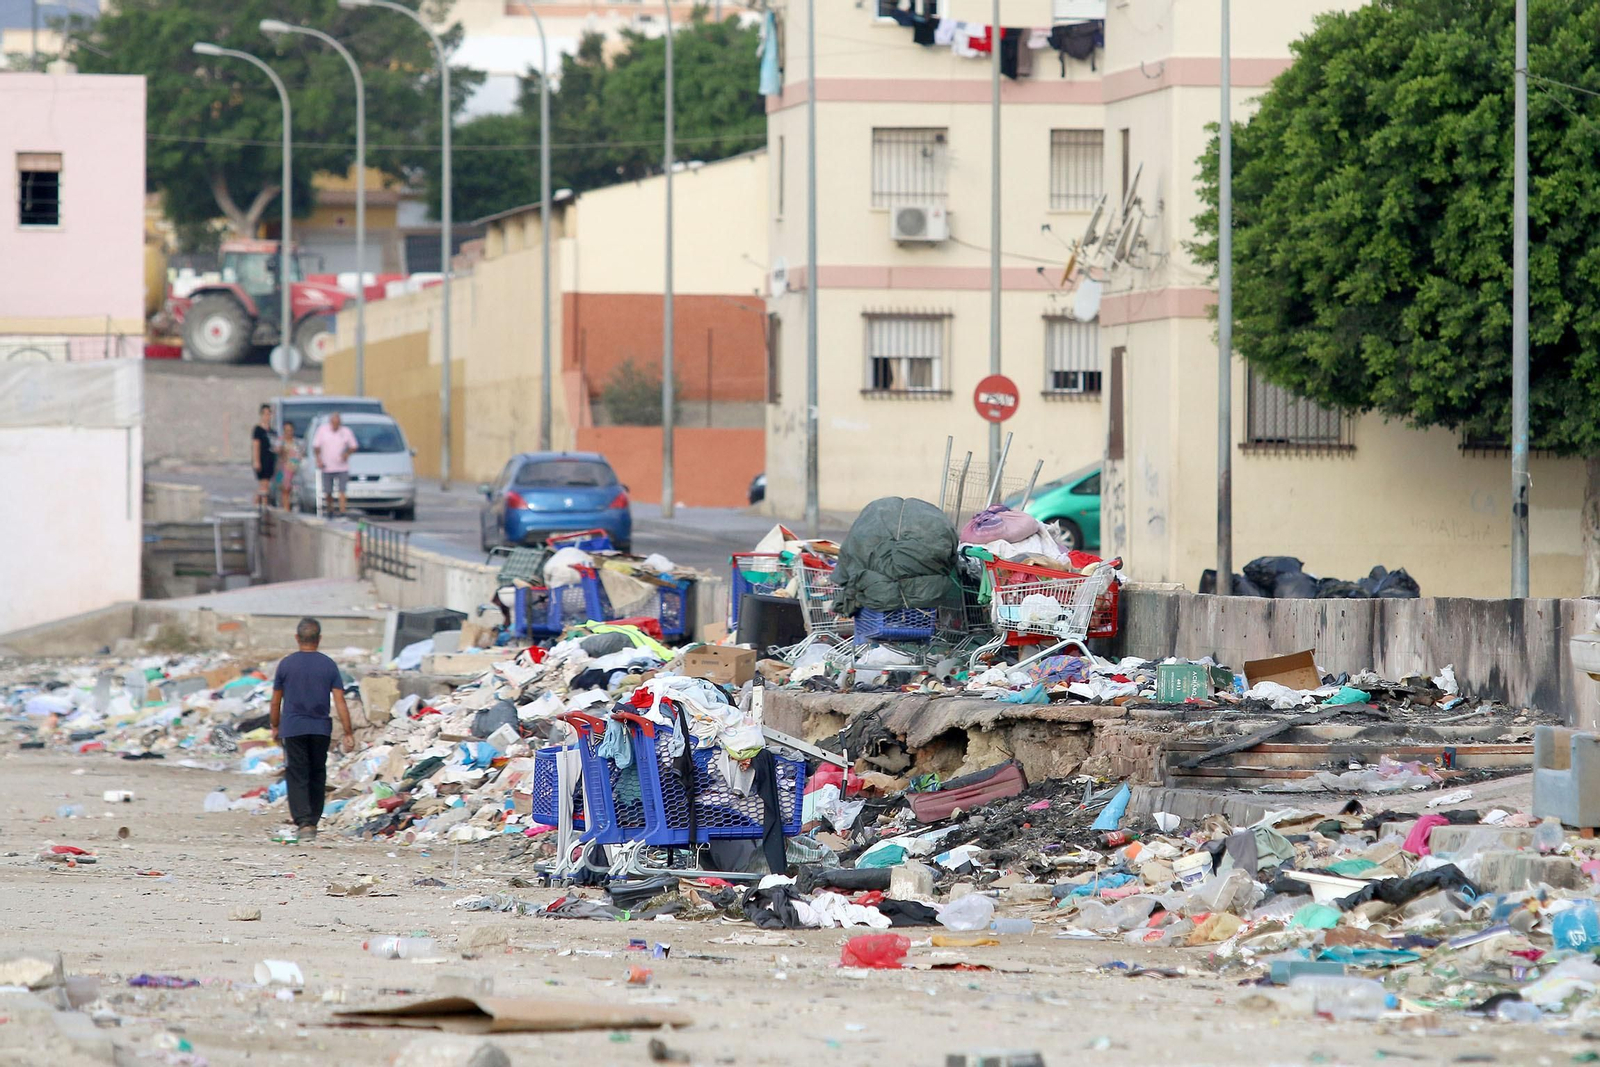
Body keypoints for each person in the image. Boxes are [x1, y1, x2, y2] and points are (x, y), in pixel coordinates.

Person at [270, 617, 356, 841]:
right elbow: (340, 702)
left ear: (297, 638)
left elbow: (275, 700)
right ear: (319, 639)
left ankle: (304, 823)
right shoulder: (328, 665)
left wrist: (275, 725)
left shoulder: (286, 664)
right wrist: (348, 731)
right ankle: (313, 821)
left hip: (293, 727)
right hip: (320, 728)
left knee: (297, 773)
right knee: (317, 772)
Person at [311, 411, 358, 518]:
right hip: (327, 466)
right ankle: (330, 509)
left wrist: (347, 454)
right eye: (334, 422)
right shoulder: (322, 430)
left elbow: (353, 446)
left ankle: (342, 511)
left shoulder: (346, 431)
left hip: (342, 466)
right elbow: (316, 446)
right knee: (328, 491)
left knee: (342, 490)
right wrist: (318, 459)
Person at [250, 404, 276, 508]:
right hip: (262, 459)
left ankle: (262, 504)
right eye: (265, 414)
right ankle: (261, 504)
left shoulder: (272, 431)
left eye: (269, 414)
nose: (267, 416)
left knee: (266, 484)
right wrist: (256, 461)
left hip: (270, 459)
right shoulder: (258, 430)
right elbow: (256, 445)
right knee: (263, 484)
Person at [274, 421, 301, 510]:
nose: (288, 433)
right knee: (284, 490)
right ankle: (285, 509)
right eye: (286, 430)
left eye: (290, 430)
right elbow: (277, 451)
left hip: (294, 470)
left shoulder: (296, 442)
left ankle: (288, 508)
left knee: (293, 492)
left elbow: (300, 455)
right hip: (283, 470)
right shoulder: (280, 441)